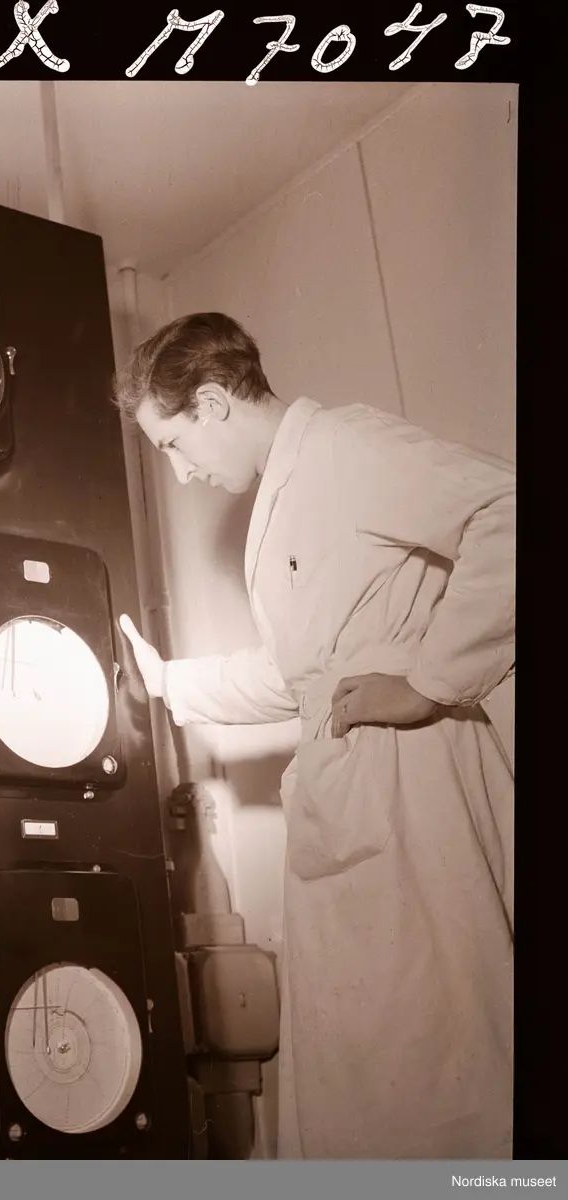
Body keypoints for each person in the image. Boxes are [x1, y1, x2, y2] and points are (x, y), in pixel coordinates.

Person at [114, 313, 514, 1160]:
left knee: (447, 1063)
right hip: (359, 796)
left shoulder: (342, 446)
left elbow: (510, 512)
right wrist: (172, 684)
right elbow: (302, 675)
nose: (182, 473)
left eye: (175, 445)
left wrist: (428, 682)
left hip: (411, 788)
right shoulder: (291, 487)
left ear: (212, 403)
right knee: (383, 1074)